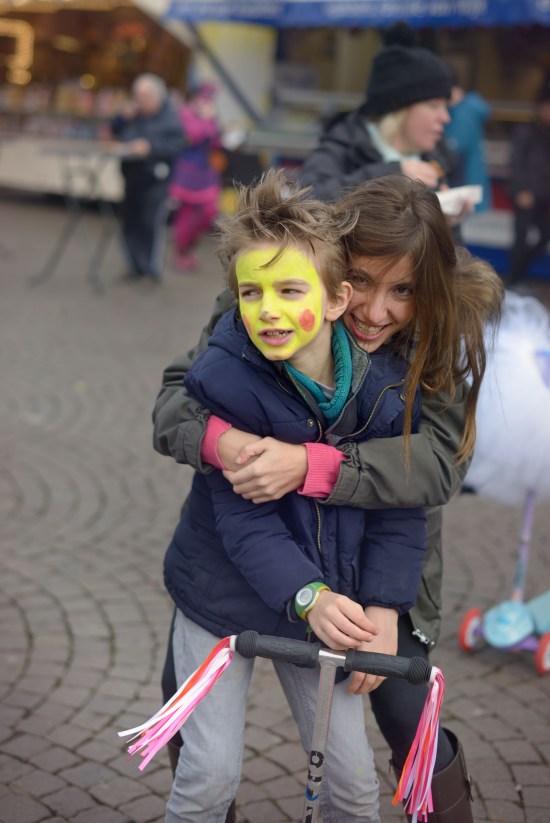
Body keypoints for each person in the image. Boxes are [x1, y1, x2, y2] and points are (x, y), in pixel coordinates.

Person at [154, 174, 504, 822]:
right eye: (365, 283)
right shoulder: (272, 301)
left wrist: (315, 470)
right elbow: (180, 397)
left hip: (378, 560)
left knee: (402, 703)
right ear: (338, 277)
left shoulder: (432, 344)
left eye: (402, 290)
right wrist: (220, 440)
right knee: (195, 720)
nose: (375, 310)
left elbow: (431, 472)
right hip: (256, 559)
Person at [297, 23, 458, 205]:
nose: (446, 117)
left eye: (446, 107)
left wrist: (445, 225)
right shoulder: (343, 145)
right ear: (398, 110)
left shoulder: (437, 157)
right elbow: (307, 200)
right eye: (434, 105)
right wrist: (391, 175)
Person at [110, 73, 184, 283]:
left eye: (144, 95)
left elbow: (177, 145)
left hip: (156, 178)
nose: (139, 100)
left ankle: (151, 271)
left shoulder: (170, 117)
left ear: (157, 96)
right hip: (131, 176)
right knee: (129, 222)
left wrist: (150, 148)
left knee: (150, 222)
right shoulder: (132, 113)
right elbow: (114, 129)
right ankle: (135, 267)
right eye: (137, 95)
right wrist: (121, 117)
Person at [169, 82, 224, 272]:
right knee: (185, 215)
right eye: (204, 97)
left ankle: (189, 246)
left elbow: (216, 142)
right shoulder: (184, 114)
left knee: (210, 212)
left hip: (206, 172)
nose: (207, 101)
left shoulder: (209, 115)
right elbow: (192, 136)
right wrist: (205, 119)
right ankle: (182, 251)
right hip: (186, 171)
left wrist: (211, 120)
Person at [507, 72, 550, 287]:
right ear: (542, 106)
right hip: (524, 194)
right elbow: (515, 162)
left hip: (542, 194)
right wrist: (521, 189)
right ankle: (514, 280)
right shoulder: (527, 129)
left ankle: (518, 275)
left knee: (544, 236)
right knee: (520, 239)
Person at [444, 65, 492, 212]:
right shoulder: (471, 108)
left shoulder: (462, 113)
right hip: (471, 183)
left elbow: (454, 147)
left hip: (462, 187)